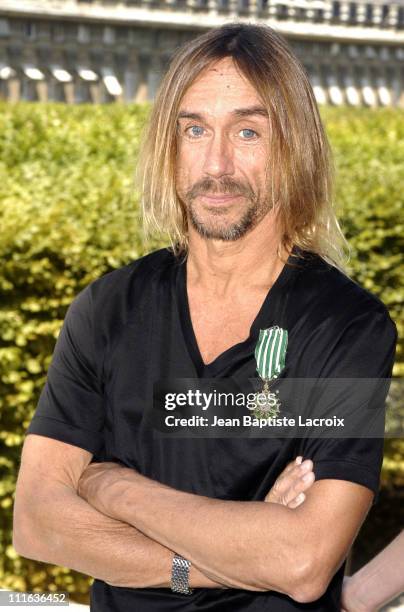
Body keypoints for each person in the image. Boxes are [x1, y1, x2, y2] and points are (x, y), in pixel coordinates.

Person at [13, 22, 397, 612]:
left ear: (295, 148)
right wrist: (238, 552)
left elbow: (301, 562)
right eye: (195, 129)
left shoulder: (347, 326)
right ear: (170, 147)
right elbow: (38, 521)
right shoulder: (108, 307)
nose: (216, 164)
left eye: (248, 131)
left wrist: (113, 487)